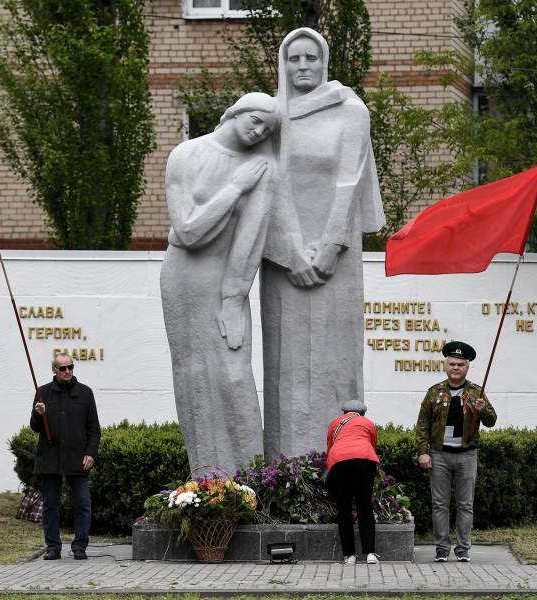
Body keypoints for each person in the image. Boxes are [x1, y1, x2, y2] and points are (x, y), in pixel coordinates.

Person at [261, 28, 385, 459]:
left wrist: (330, 247)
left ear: (324, 62)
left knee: (335, 358)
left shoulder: (350, 110)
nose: (302, 67)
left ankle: (341, 460)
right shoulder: (270, 116)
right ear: (283, 63)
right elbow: (269, 186)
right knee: (287, 361)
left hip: (338, 258)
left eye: (310, 58)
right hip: (282, 260)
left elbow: (349, 181)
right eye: (293, 58)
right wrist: (290, 252)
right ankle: (284, 470)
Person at [160, 93, 281, 475]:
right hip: (183, 276)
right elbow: (187, 231)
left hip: (226, 282)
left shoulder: (262, 169)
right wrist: (234, 188)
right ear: (236, 111)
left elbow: (251, 241)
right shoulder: (185, 154)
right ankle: (205, 475)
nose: (258, 131)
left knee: (233, 373)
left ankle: (250, 480)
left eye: (267, 129)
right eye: (256, 120)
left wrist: (233, 298)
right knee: (191, 373)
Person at [415, 341, 497, 562]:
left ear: (467, 367)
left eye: (460, 364)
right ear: (445, 365)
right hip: (439, 454)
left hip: (466, 455)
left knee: (465, 504)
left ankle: (463, 549)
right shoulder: (434, 392)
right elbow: (422, 425)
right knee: (439, 504)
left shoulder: (476, 392)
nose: (455, 368)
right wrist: (423, 452)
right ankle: (442, 549)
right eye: (452, 363)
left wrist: (483, 409)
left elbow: (491, 421)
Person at [31, 352, 101, 561]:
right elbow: (35, 427)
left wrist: (91, 453)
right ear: (54, 370)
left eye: (70, 367)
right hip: (50, 458)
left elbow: (94, 428)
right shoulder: (42, 393)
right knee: (51, 505)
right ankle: (53, 547)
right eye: (62, 368)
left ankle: (80, 546)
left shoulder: (85, 393)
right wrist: (38, 414)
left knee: (83, 504)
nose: (67, 371)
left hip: (77, 458)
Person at [325, 399, 381, 565]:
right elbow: (373, 446)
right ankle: (370, 553)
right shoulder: (368, 423)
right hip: (365, 461)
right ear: (363, 413)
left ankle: (349, 555)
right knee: (365, 506)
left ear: (344, 413)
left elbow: (330, 447)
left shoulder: (335, 423)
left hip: (339, 462)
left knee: (344, 509)